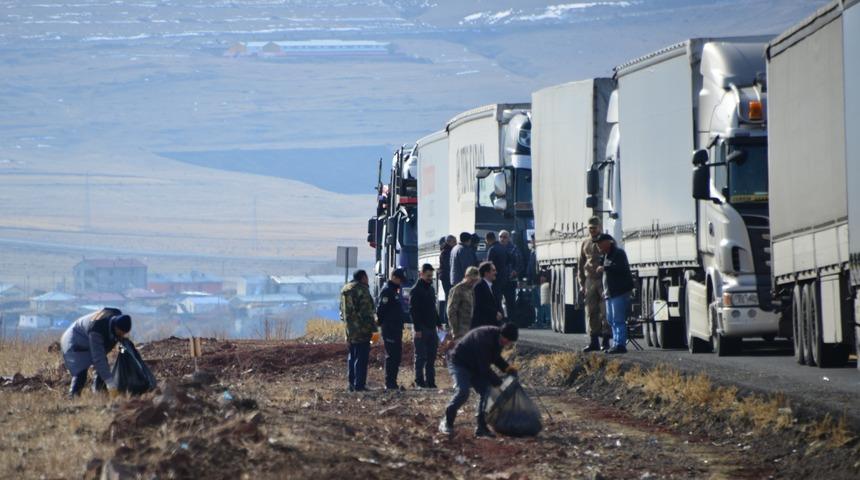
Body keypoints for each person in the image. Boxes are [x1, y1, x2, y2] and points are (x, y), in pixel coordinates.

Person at [438, 323, 520, 437]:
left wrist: (508, 368)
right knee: (463, 391)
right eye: (507, 341)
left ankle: (481, 428)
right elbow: (484, 369)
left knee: (486, 392)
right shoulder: (484, 339)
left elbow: (495, 357)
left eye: (509, 342)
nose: (507, 344)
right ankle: (447, 422)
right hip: (459, 362)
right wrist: (500, 383)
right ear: (502, 335)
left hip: (475, 365)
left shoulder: (499, 339)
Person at [61, 307, 131, 398]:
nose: (121, 335)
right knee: (80, 373)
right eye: (120, 333)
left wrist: (123, 351)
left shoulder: (117, 321)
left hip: (88, 339)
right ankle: (72, 397)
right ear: (115, 326)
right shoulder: (97, 329)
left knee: (102, 368)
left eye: (123, 333)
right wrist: (110, 382)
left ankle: (99, 395)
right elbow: (98, 357)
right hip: (74, 341)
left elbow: (119, 341)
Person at [596, 234, 635, 354]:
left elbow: (621, 269)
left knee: (618, 319)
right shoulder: (605, 255)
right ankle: (616, 343)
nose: (598, 246)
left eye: (600, 242)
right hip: (610, 293)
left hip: (619, 292)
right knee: (611, 319)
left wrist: (605, 268)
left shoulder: (618, 254)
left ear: (608, 242)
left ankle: (620, 344)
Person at [340, 269, 377, 392]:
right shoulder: (362, 290)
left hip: (349, 330)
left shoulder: (345, 290)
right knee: (361, 358)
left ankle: (351, 384)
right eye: (366, 277)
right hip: (362, 330)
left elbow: (341, 312)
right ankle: (359, 385)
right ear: (363, 278)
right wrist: (374, 330)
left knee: (352, 356)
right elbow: (367, 312)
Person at [579, 217, 612, 352]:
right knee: (591, 311)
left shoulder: (607, 241)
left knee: (605, 311)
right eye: (590, 228)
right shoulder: (585, 243)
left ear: (600, 227)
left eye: (595, 227)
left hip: (603, 279)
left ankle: (606, 340)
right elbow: (581, 264)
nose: (592, 230)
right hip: (590, 281)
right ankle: (593, 341)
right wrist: (581, 284)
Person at [411, 263, 443, 388]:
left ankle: (431, 382)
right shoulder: (416, 290)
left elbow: (433, 309)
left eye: (432, 276)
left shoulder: (430, 289)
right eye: (428, 275)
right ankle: (419, 381)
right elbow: (413, 311)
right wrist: (417, 329)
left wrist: (439, 324)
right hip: (421, 328)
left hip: (431, 328)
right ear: (421, 274)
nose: (430, 278)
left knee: (431, 357)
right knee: (420, 357)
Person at [377, 268, 409, 390]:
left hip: (396, 328)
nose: (401, 283)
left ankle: (393, 382)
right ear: (394, 277)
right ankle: (389, 383)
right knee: (391, 356)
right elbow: (381, 310)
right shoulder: (387, 291)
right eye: (400, 280)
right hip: (390, 328)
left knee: (396, 355)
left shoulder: (393, 291)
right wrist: (382, 324)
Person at [447, 266, 480, 339]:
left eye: (475, 280)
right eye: (472, 280)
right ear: (466, 276)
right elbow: (451, 311)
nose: (473, 282)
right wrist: (455, 331)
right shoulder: (458, 289)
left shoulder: (471, 290)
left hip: (470, 328)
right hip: (460, 330)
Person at [471, 261, 503, 329]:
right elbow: (480, 305)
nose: (496, 273)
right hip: (482, 325)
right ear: (486, 273)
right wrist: (495, 313)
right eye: (493, 270)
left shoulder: (493, 286)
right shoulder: (479, 286)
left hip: (493, 324)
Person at [498, 230, 521, 319]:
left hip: (510, 280)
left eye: (505, 237)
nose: (502, 239)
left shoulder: (514, 248)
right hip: (499, 280)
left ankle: (512, 321)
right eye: (501, 237)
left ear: (509, 238)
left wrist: (516, 271)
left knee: (511, 302)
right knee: (497, 302)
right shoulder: (496, 248)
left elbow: (520, 263)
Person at [486, 232, 509, 311]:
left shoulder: (492, 249)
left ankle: (498, 318)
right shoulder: (502, 248)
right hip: (504, 278)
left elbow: (489, 265)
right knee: (501, 300)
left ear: (487, 240)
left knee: (495, 300)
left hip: (495, 278)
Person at [438, 235, 456, 327]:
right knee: (449, 299)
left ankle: (448, 320)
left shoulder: (446, 251)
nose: (456, 243)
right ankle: (448, 321)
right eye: (454, 241)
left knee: (448, 298)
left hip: (445, 277)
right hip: (447, 278)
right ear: (449, 242)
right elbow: (449, 266)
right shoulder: (446, 252)